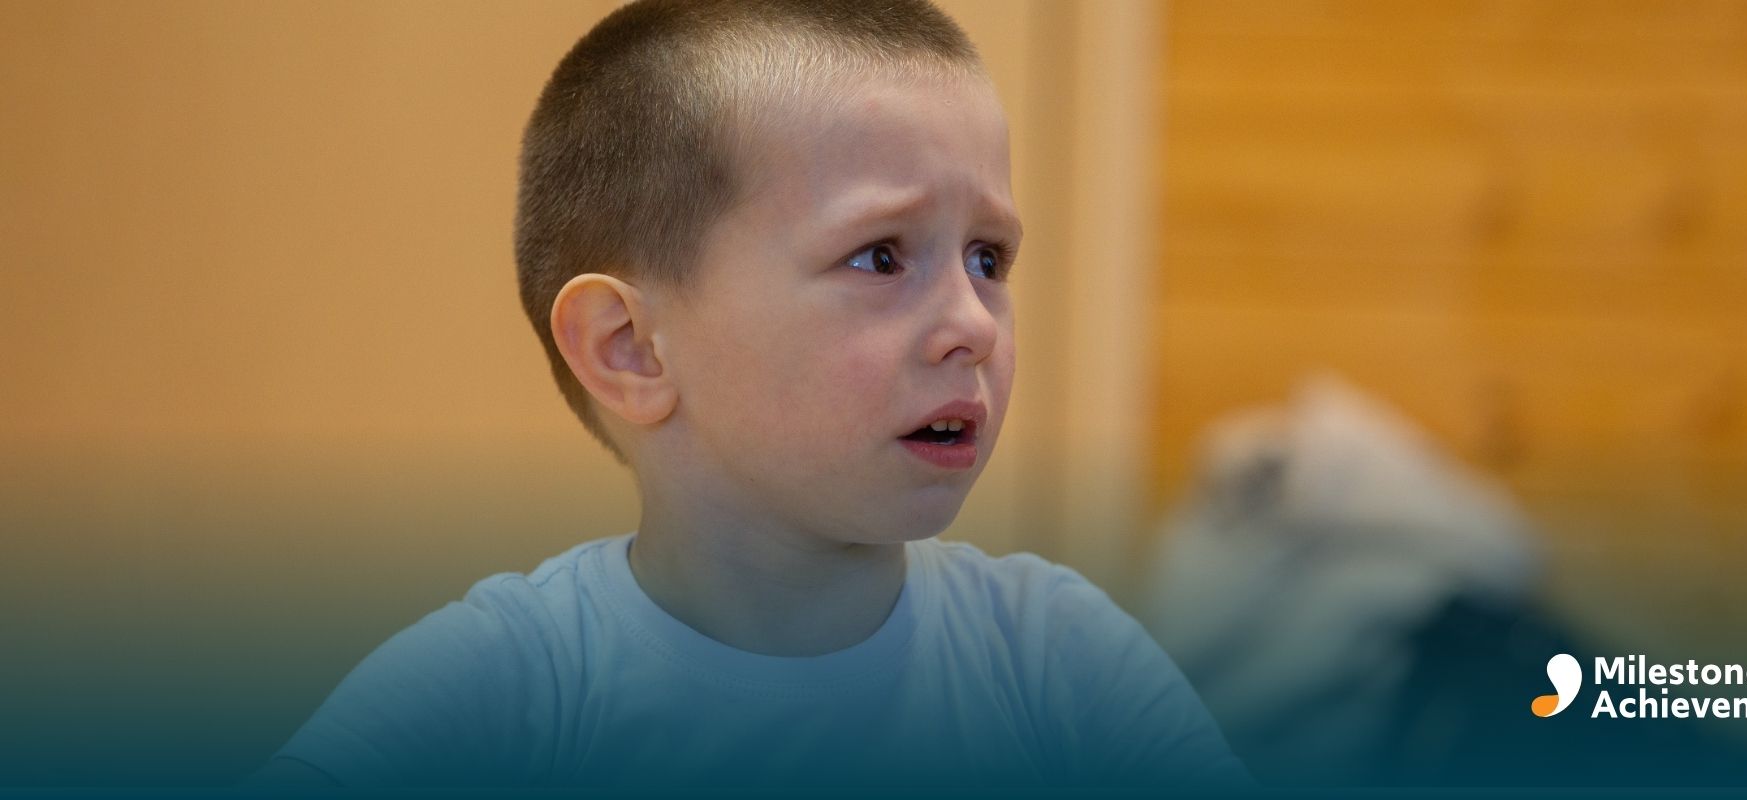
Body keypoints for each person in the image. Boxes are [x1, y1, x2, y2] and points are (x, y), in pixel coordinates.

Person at [246, 0, 1251, 789]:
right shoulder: (506, 690)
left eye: (989, 257)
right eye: (882, 255)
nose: (974, 323)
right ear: (631, 348)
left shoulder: (1059, 666)